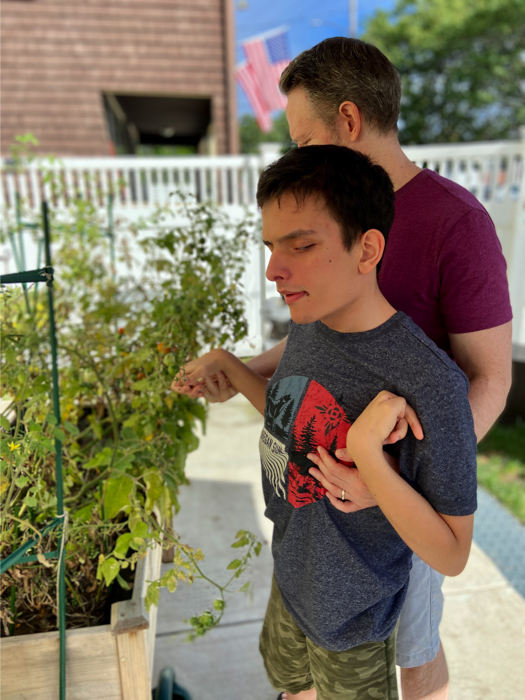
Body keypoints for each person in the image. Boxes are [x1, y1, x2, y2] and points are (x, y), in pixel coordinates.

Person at [174, 38, 513, 700]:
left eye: (304, 139)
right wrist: (241, 368)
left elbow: (490, 380)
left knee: (412, 653)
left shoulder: (456, 223)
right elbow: (311, 338)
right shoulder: (320, 212)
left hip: (396, 496)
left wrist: (392, 485)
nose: (297, 157)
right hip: (319, 514)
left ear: (349, 123)